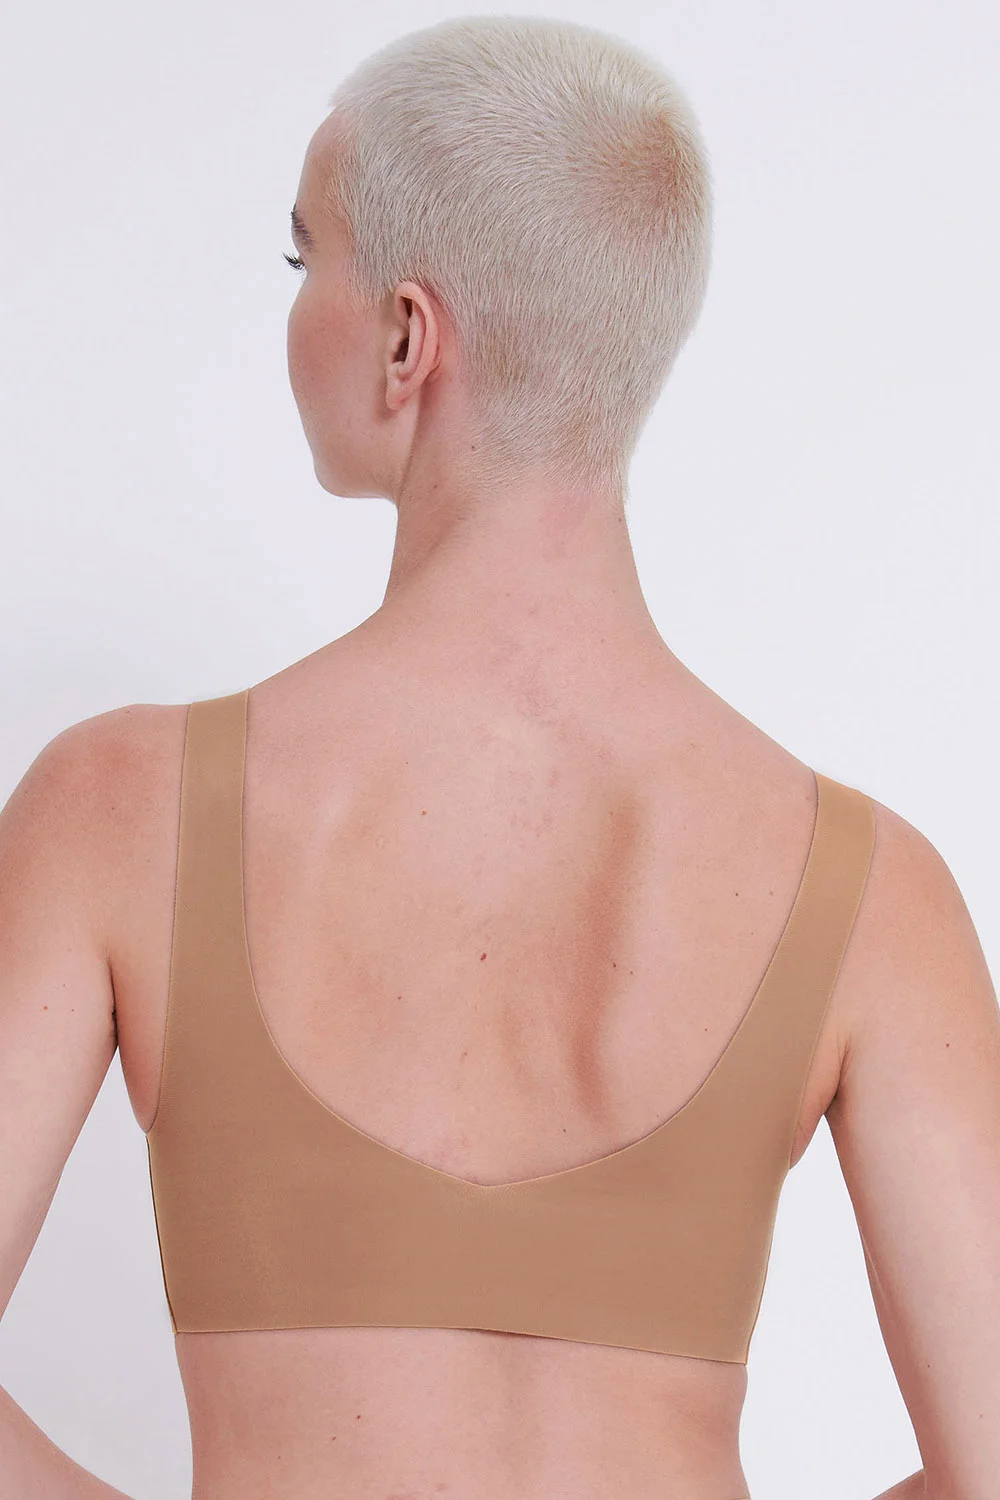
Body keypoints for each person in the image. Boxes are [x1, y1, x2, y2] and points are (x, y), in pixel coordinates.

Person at [0, 15, 997, 1500]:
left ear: (409, 339)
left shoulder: (119, 810)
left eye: (304, 258)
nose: (293, 306)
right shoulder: (871, 894)